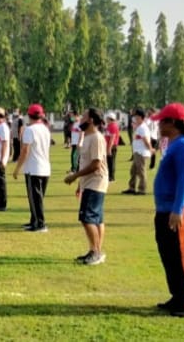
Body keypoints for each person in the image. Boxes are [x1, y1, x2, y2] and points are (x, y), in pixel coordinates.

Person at [150, 102, 184, 317]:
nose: (159, 125)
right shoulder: (173, 143)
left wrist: (177, 209)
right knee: (169, 255)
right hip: (165, 209)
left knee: (183, 256)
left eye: (162, 121)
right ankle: (177, 296)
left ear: (172, 123)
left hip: (177, 210)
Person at [64, 108, 108, 264]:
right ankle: (95, 251)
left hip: (95, 182)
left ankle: (95, 252)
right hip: (90, 183)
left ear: (90, 120)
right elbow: (87, 162)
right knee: (96, 219)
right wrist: (79, 184)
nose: (80, 119)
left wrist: (75, 175)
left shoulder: (95, 137)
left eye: (83, 117)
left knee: (87, 218)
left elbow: (96, 164)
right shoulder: (88, 137)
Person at [13, 104, 52, 231]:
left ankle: (40, 224)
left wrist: (17, 168)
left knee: (34, 198)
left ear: (29, 115)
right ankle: (34, 221)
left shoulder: (30, 130)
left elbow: (25, 150)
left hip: (33, 168)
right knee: (37, 198)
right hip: (45, 167)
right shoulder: (45, 129)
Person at [122, 108, 153, 195]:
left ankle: (142, 189)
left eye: (136, 117)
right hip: (138, 152)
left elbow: (146, 140)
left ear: (141, 117)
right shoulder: (139, 127)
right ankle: (132, 188)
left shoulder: (142, 128)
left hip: (141, 152)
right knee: (133, 170)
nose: (135, 118)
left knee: (141, 171)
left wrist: (150, 149)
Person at [104, 112, 120, 182]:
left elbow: (112, 139)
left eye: (107, 118)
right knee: (108, 162)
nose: (106, 120)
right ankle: (109, 176)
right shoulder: (109, 126)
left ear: (110, 119)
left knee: (111, 162)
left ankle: (111, 177)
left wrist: (109, 149)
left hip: (112, 147)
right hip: (108, 146)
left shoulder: (113, 126)